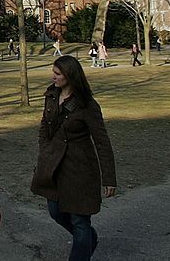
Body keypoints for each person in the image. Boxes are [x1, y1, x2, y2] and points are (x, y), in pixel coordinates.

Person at [31, 55, 117, 260]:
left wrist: (109, 179)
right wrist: (45, 150)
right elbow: (44, 126)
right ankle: (88, 238)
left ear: (70, 76)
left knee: (79, 221)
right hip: (54, 167)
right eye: (53, 72)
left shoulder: (87, 105)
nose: (53, 77)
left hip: (80, 169)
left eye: (57, 74)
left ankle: (82, 245)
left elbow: (102, 142)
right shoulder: (51, 95)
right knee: (55, 211)